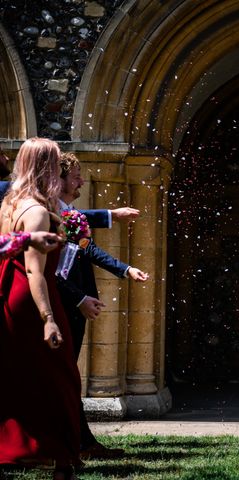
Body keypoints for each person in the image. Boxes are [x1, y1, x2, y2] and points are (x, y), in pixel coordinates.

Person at [55, 152, 148, 459]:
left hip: (76, 303)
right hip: (63, 305)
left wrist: (125, 269)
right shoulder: (50, 214)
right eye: (77, 175)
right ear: (60, 179)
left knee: (67, 374)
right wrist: (78, 299)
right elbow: (53, 270)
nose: (82, 180)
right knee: (63, 375)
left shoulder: (69, 213)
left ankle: (80, 442)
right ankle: (75, 444)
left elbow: (87, 247)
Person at [0, 138, 81, 479]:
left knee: (15, 380)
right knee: (61, 380)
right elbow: (35, 272)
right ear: (47, 168)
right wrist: (49, 319)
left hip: (6, 296)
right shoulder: (35, 212)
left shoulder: (9, 204)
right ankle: (61, 460)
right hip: (32, 302)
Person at [0, 146, 140, 228]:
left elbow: (63, 218)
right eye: (54, 169)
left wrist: (111, 215)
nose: (7, 158)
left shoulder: (27, 199)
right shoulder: (16, 194)